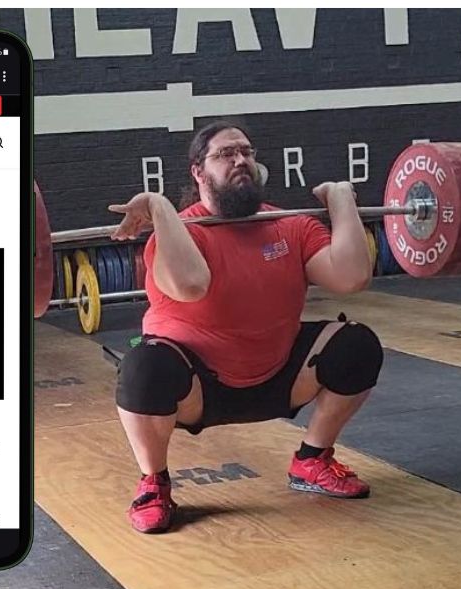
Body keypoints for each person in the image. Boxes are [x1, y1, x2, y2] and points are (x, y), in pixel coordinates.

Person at [108, 121, 383, 533]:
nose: (240, 160)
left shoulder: (289, 225)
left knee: (357, 345)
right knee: (142, 367)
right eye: (225, 154)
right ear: (198, 172)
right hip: (196, 390)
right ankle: (154, 483)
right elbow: (190, 284)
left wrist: (341, 198)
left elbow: (351, 277)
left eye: (247, 152)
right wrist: (159, 207)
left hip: (279, 377)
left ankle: (311, 460)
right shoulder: (179, 234)